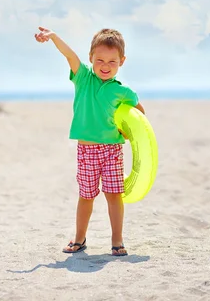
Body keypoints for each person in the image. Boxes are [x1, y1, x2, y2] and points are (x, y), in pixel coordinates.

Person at [34, 26, 145, 256]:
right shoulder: (84, 78)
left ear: (121, 61)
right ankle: (79, 239)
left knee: (114, 195)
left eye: (112, 62)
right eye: (100, 60)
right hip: (87, 151)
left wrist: (127, 133)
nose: (105, 66)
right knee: (86, 196)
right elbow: (70, 55)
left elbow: (139, 115)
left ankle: (117, 241)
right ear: (91, 58)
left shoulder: (123, 91)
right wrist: (54, 37)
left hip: (113, 150)